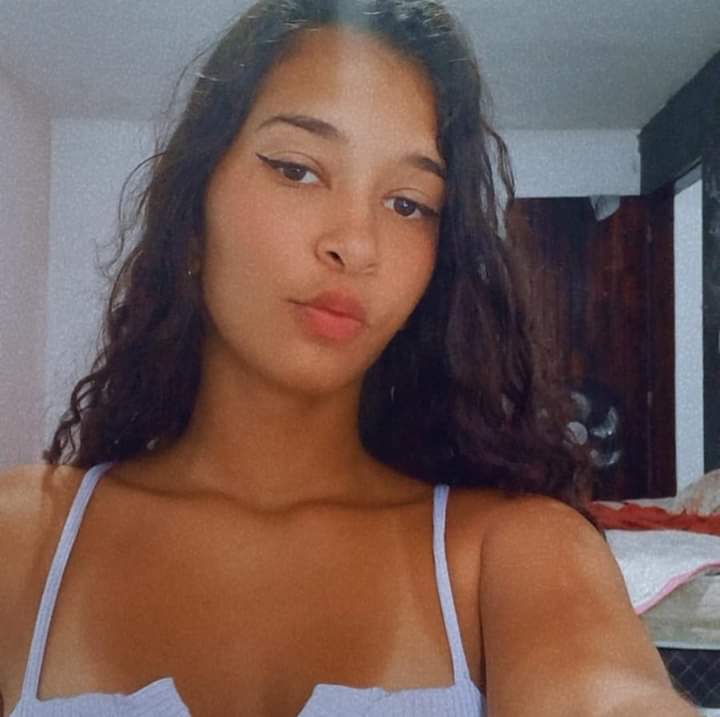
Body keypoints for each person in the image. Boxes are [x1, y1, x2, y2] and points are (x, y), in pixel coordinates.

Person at [0, 0, 699, 715]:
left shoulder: (515, 550)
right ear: (193, 211)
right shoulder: (21, 538)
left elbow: (607, 695)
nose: (357, 245)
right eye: (298, 170)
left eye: (408, 204)